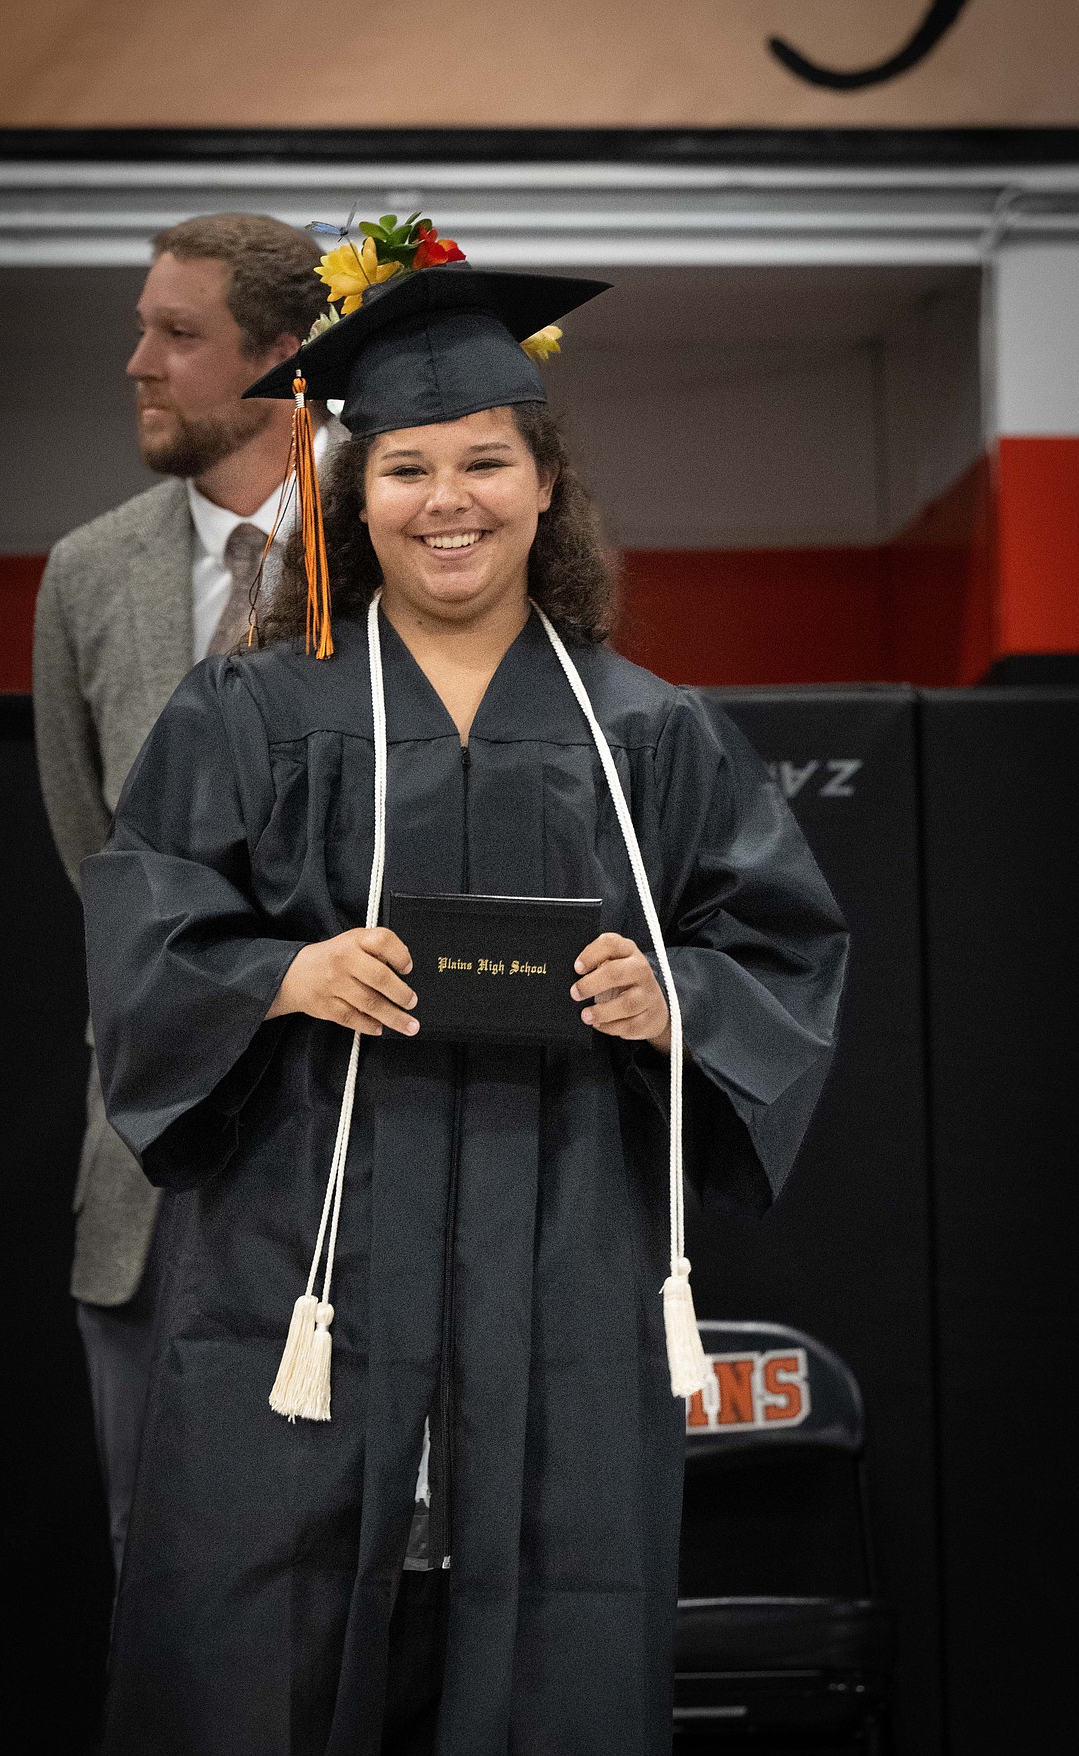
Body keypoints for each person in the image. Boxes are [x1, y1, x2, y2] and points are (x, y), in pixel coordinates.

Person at [82, 226, 848, 1755]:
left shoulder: (648, 733)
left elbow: (780, 948)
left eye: (485, 463)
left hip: (554, 1244)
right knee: (256, 1637)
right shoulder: (251, 710)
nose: (449, 503)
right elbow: (145, 919)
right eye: (407, 468)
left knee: (554, 1625)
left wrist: (668, 995)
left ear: (545, 483)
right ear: (353, 502)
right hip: (299, 1249)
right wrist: (285, 972)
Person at [32, 211, 332, 1576]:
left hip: (358, 1172)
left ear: (280, 357)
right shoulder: (87, 576)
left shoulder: (412, 540)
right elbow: (97, 866)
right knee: (163, 1574)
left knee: (364, 1579)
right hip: (150, 1184)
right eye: (142, 326)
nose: (139, 363)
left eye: (179, 334)